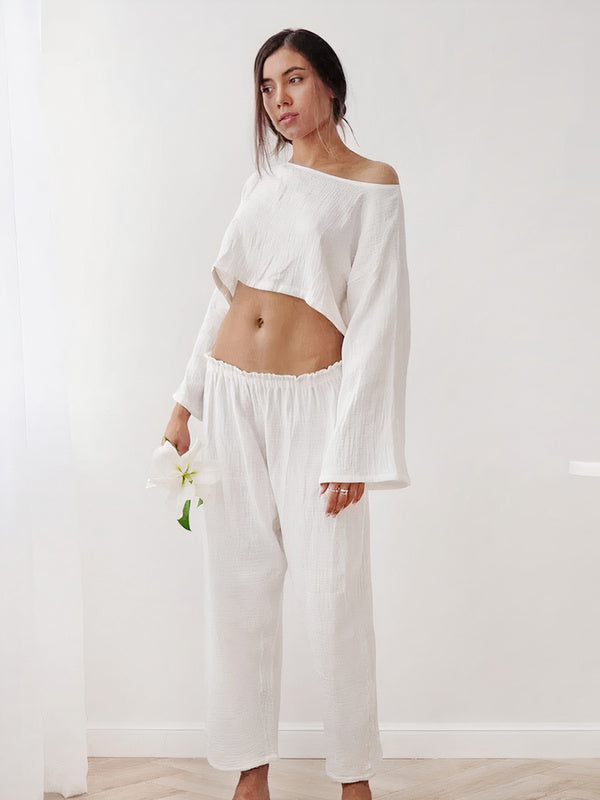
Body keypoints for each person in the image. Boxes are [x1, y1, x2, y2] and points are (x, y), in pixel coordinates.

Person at [161, 28, 411, 800]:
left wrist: (354, 449)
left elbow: (379, 322)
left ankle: (354, 777)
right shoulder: (263, 182)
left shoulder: (373, 185)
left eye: (294, 79)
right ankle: (250, 773)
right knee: (239, 585)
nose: (279, 100)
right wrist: (185, 399)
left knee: (334, 594)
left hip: (316, 407)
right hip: (232, 398)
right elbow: (225, 298)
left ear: (330, 84)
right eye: (267, 87)